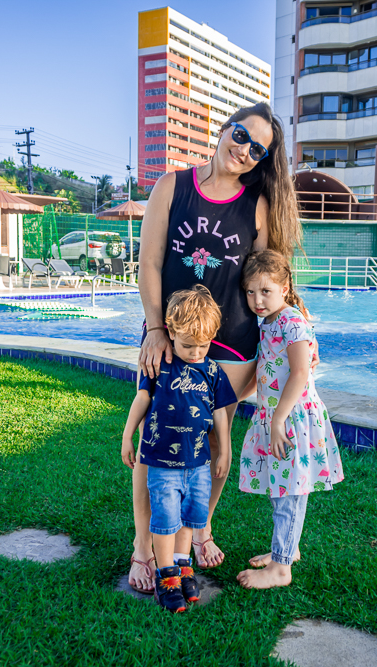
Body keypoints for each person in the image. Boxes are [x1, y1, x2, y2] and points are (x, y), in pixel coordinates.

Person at [127, 102, 302, 592]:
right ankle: (144, 547)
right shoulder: (172, 186)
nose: (244, 150)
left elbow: (270, 276)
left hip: (234, 341)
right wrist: (156, 329)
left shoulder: (258, 206)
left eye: (257, 149)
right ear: (225, 129)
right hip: (172, 333)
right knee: (156, 441)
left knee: (212, 443)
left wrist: (297, 328)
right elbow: (150, 264)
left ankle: (200, 527)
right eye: (241, 135)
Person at [121, 286, 237, 612]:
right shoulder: (159, 365)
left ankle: (183, 567)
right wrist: (128, 436)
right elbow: (141, 399)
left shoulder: (212, 372)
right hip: (161, 463)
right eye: (188, 345)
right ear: (170, 333)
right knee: (165, 519)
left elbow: (220, 415)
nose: (196, 352)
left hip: (197, 464)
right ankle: (166, 577)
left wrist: (225, 451)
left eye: (204, 345)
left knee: (189, 518)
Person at [235, 250, 344, 590]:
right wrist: (236, 399)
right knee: (281, 490)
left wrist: (277, 420)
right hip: (278, 416)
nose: (257, 300)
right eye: (251, 292)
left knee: (288, 494)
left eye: (265, 291)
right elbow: (265, 369)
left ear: (284, 288)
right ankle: (286, 550)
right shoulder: (270, 322)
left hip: (291, 419)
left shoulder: (291, 322)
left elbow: (300, 373)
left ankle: (281, 569)